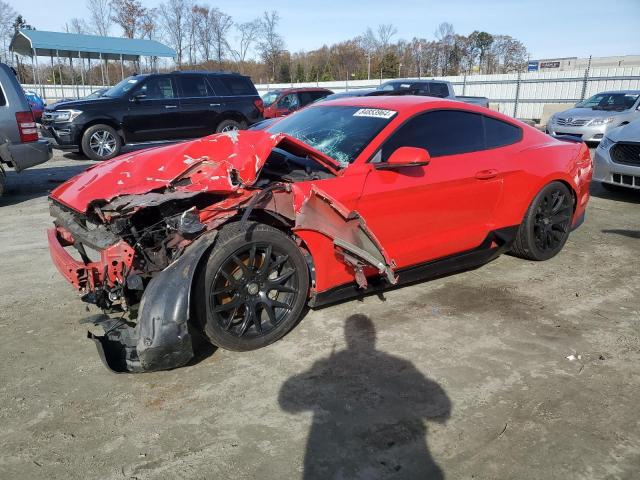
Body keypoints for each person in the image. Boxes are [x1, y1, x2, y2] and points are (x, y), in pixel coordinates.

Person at [279, 314, 451, 479]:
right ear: (373, 336)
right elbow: (441, 405)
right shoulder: (397, 363)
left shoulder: (333, 364)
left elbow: (286, 400)